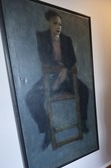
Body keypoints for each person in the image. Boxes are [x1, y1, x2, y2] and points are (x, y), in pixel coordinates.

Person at [26, 10, 89, 150]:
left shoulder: (67, 39)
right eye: (55, 23)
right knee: (30, 98)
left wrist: (64, 70)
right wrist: (57, 74)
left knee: (84, 91)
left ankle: (82, 121)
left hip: (66, 77)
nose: (58, 26)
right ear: (49, 23)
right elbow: (44, 58)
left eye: (60, 24)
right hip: (49, 78)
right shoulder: (42, 37)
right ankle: (47, 129)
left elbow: (72, 58)